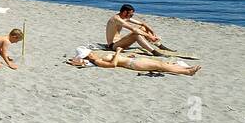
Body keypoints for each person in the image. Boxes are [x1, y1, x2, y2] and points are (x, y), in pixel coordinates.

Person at [66, 48, 199, 76]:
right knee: (160, 66)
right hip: (133, 64)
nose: (92, 53)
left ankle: (186, 69)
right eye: (90, 53)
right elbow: (113, 65)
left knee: (162, 65)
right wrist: (118, 52)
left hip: (133, 60)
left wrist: (126, 54)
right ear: (88, 56)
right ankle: (187, 72)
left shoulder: (98, 58)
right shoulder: (99, 61)